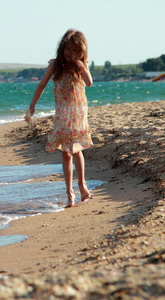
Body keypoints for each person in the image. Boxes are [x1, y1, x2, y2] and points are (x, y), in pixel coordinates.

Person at [29, 29, 93, 207]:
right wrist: (32, 105)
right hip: (62, 114)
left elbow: (89, 82)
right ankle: (69, 192)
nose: (69, 53)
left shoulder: (81, 66)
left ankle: (82, 184)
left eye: (74, 50)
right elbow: (41, 85)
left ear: (81, 52)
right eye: (67, 49)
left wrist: (80, 65)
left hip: (78, 113)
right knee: (65, 151)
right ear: (62, 49)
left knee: (76, 149)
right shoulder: (55, 65)